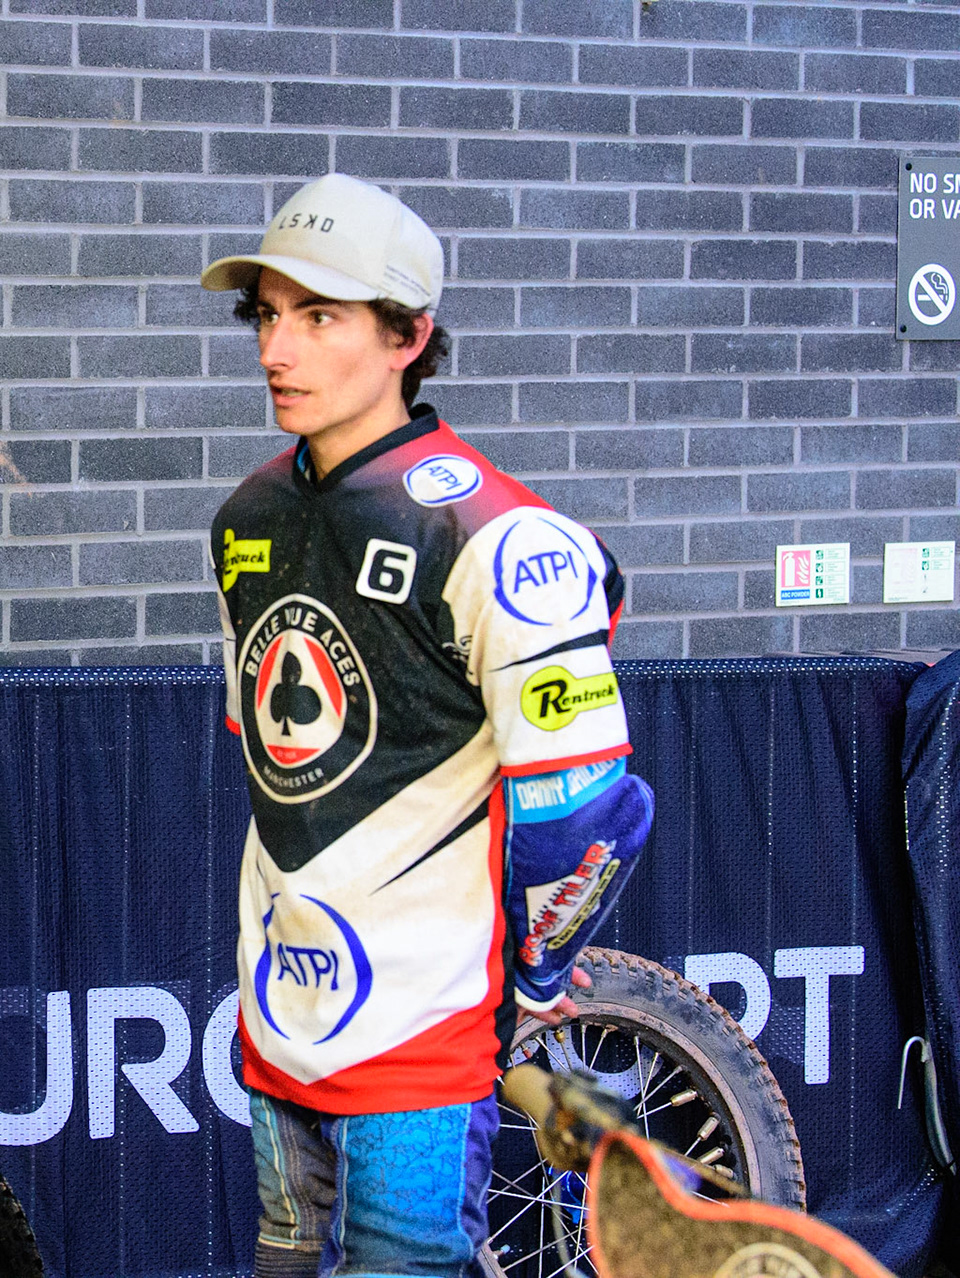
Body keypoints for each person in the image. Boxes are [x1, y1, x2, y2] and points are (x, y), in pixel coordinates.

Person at [201, 173, 654, 1278]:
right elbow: (275, 765)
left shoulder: (501, 537)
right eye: (267, 314)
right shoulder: (245, 518)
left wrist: (533, 978)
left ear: (409, 337)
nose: (279, 350)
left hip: (424, 1043)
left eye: (320, 317)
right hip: (280, 1019)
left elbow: (594, 811)